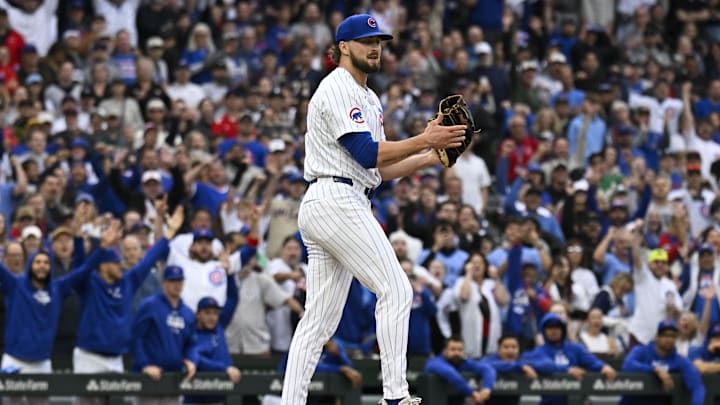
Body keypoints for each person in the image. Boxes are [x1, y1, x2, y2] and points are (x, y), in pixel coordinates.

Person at [280, 14, 468, 405]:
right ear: (344, 47)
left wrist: (431, 155)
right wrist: (423, 137)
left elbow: (381, 167)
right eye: (366, 40)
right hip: (335, 199)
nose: (375, 46)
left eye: (379, 40)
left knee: (317, 322)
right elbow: (365, 152)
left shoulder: (369, 97)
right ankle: (395, 396)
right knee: (397, 289)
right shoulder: (336, 87)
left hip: (334, 200)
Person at [73, 206, 183, 375]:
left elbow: (149, 259)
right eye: (115, 263)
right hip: (89, 357)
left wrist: (170, 233)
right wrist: (80, 236)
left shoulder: (127, 281)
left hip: (117, 358)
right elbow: (80, 266)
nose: (120, 265)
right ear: (103, 266)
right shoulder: (90, 283)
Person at [132, 265, 199, 405]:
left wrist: (191, 360)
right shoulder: (149, 305)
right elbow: (137, 338)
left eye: (179, 281)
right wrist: (144, 365)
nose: (177, 285)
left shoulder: (187, 312)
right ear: (164, 282)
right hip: (149, 378)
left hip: (174, 379)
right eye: (172, 281)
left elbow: (192, 342)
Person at [526, 313, 616, 405]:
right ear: (544, 331)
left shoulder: (575, 348)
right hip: (550, 401)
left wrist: (603, 367)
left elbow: (591, 361)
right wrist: (567, 370)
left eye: (557, 327)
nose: (554, 331)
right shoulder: (539, 351)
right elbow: (543, 365)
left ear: (563, 329)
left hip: (575, 399)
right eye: (549, 327)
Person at [183, 276, 241, 405]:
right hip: (196, 397)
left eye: (215, 313)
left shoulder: (219, 327)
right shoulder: (192, 334)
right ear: (197, 314)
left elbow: (233, 298)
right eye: (207, 313)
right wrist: (225, 369)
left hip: (219, 397)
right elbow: (197, 360)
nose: (212, 317)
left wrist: (230, 275)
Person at [620, 320, 705, 405]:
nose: (669, 339)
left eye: (672, 336)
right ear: (657, 337)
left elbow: (697, 386)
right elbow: (627, 365)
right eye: (665, 335)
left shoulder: (679, 360)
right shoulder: (641, 351)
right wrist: (655, 370)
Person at [484, 334, 555, 405]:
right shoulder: (489, 360)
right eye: (506, 347)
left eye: (514, 347)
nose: (510, 350)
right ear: (498, 350)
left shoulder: (522, 360)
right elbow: (487, 364)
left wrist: (566, 368)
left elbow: (548, 365)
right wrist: (520, 367)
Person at [424, 336, 496, 405]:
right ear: (444, 351)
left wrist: (486, 388)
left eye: (460, 350)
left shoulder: (464, 362)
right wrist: (471, 393)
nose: (457, 353)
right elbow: (449, 372)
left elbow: (488, 369)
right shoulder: (434, 362)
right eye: (453, 349)